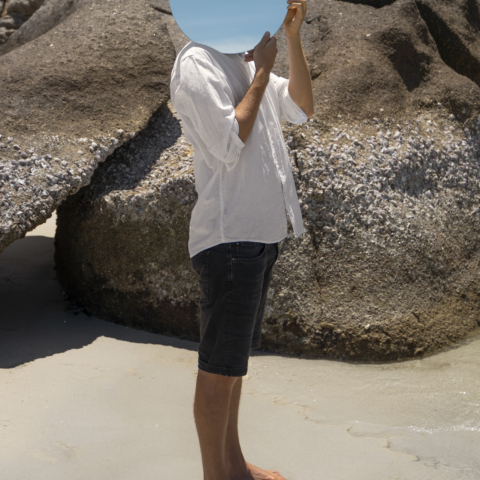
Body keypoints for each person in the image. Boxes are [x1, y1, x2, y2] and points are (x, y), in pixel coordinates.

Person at [170, 1, 314, 478]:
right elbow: (229, 142)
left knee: (233, 367)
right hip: (229, 236)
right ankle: (218, 474)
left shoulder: (242, 57)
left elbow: (300, 108)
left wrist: (290, 39)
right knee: (218, 367)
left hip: (259, 234)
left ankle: (234, 465)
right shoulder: (197, 62)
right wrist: (262, 71)